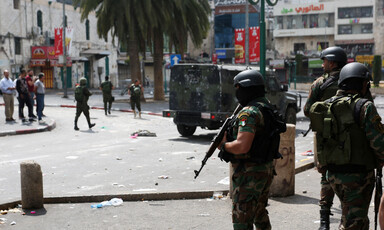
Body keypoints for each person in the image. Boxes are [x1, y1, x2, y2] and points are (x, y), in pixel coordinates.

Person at [309, 62, 384, 229]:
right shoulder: (364, 106)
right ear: (362, 83)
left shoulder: (327, 105)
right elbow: (379, 143)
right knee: (354, 223)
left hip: (333, 175)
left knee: (351, 217)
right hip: (358, 177)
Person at [217, 69, 286, 230]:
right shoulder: (266, 106)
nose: (237, 92)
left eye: (238, 88)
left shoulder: (249, 113)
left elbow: (242, 145)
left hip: (249, 175)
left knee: (242, 219)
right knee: (259, 213)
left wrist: (224, 146)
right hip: (265, 169)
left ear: (245, 88)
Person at [304, 46, 348, 230]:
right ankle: (348, 218)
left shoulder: (319, 84)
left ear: (332, 62)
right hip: (349, 137)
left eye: (324, 61)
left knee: (326, 176)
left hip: (325, 138)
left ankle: (324, 221)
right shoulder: (353, 80)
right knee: (349, 175)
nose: (323, 64)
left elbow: (307, 110)